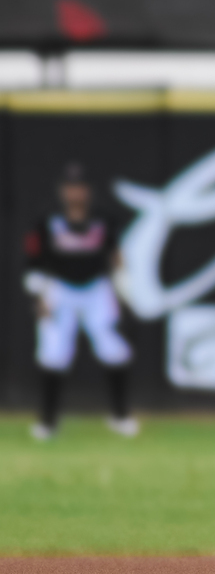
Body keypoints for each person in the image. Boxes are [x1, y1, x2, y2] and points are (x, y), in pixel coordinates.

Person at [21, 163, 136, 440]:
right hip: (59, 288)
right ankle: (48, 422)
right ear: (62, 191)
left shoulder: (103, 219)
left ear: (88, 191)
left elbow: (117, 256)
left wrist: (122, 290)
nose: (76, 193)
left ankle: (120, 416)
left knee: (113, 348)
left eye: (80, 187)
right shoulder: (47, 220)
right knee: (53, 352)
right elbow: (33, 261)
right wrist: (38, 296)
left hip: (96, 287)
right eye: (71, 187)